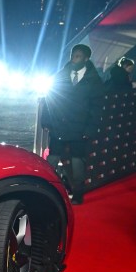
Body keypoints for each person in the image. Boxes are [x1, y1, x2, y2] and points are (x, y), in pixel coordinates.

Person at [40, 43, 103, 204]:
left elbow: (96, 107)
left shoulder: (94, 80)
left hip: (80, 128)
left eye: (78, 56)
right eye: (72, 55)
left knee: (77, 162)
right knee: (52, 159)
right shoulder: (60, 76)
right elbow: (50, 100)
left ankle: (78, 193)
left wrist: (90, 129)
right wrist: (46, 121)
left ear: (86, 59)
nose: (73, 59)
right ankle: (45, 190)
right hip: (59, 125)